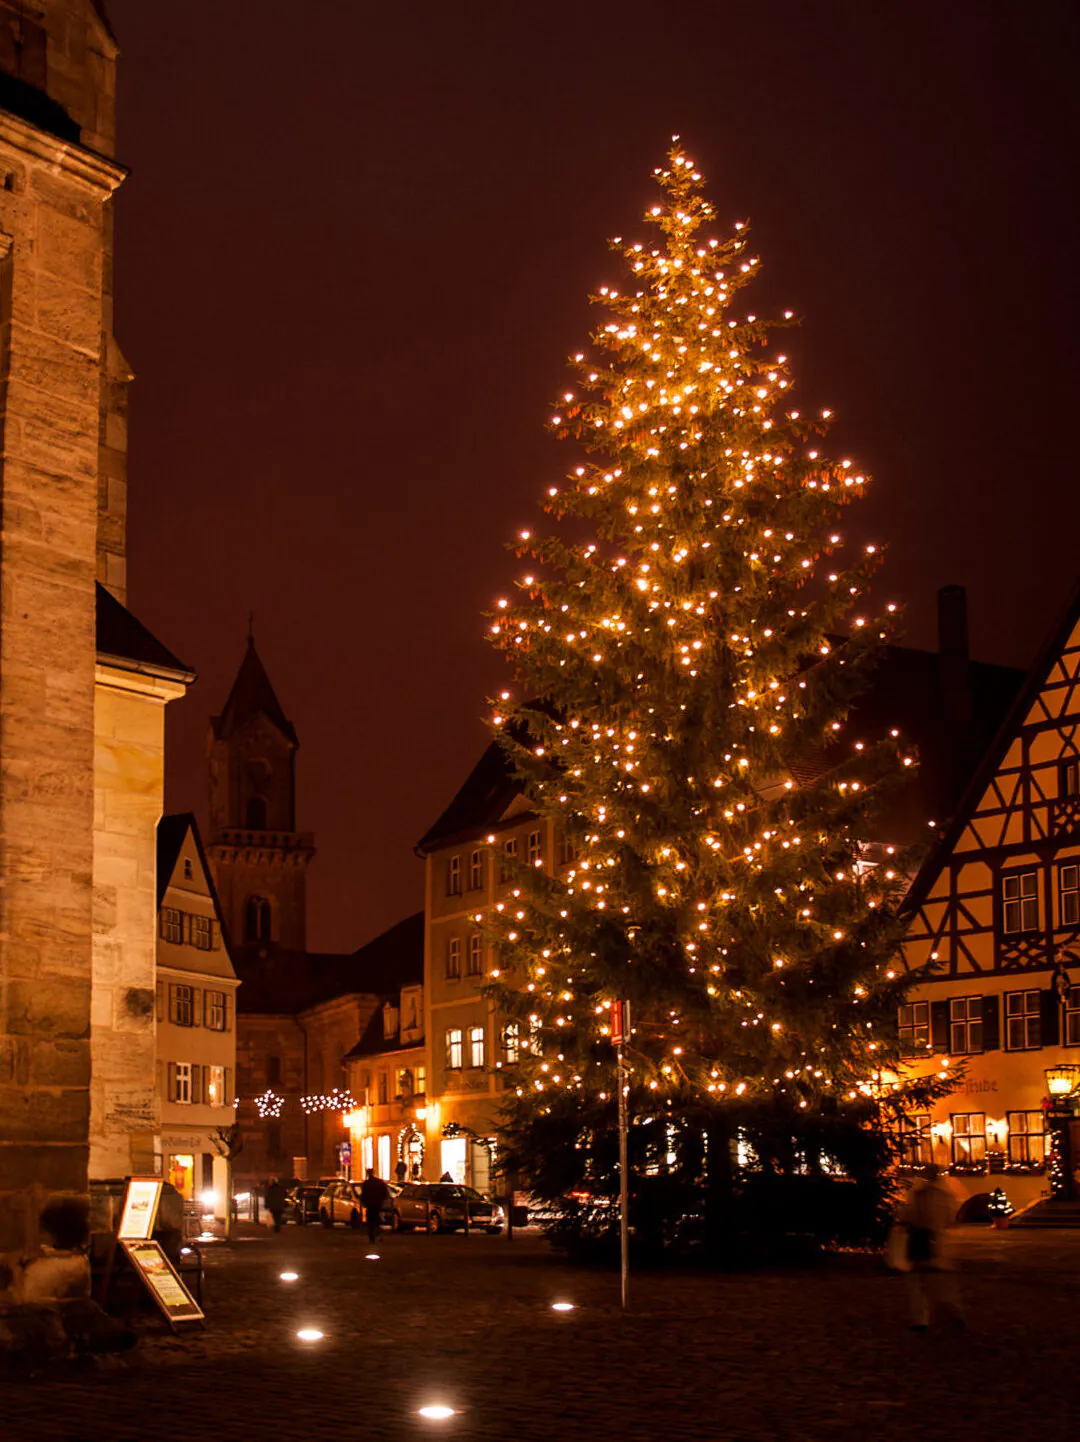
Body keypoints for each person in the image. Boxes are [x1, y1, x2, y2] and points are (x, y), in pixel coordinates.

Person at [898, 1164, 963, 1330]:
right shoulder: (946, 1195)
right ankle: (954, 1313)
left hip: (920, 1241)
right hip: (939, 1242)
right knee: (941, 1283)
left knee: (918, 1283)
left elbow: (908, 1215)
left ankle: (922, 1320)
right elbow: (951, 1220)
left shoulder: (918, 1194)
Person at [359, 1168, 390, 1244]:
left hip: (370, 1204)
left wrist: (363, 1202)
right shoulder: (379, 1182)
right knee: (376, 1220)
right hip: (377, 1204)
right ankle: (377, 1234)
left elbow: (363, 1195)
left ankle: (372, 1237)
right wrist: (381, 1200)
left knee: (370, 1221)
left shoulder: (366, 1184)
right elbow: (385, 1193)